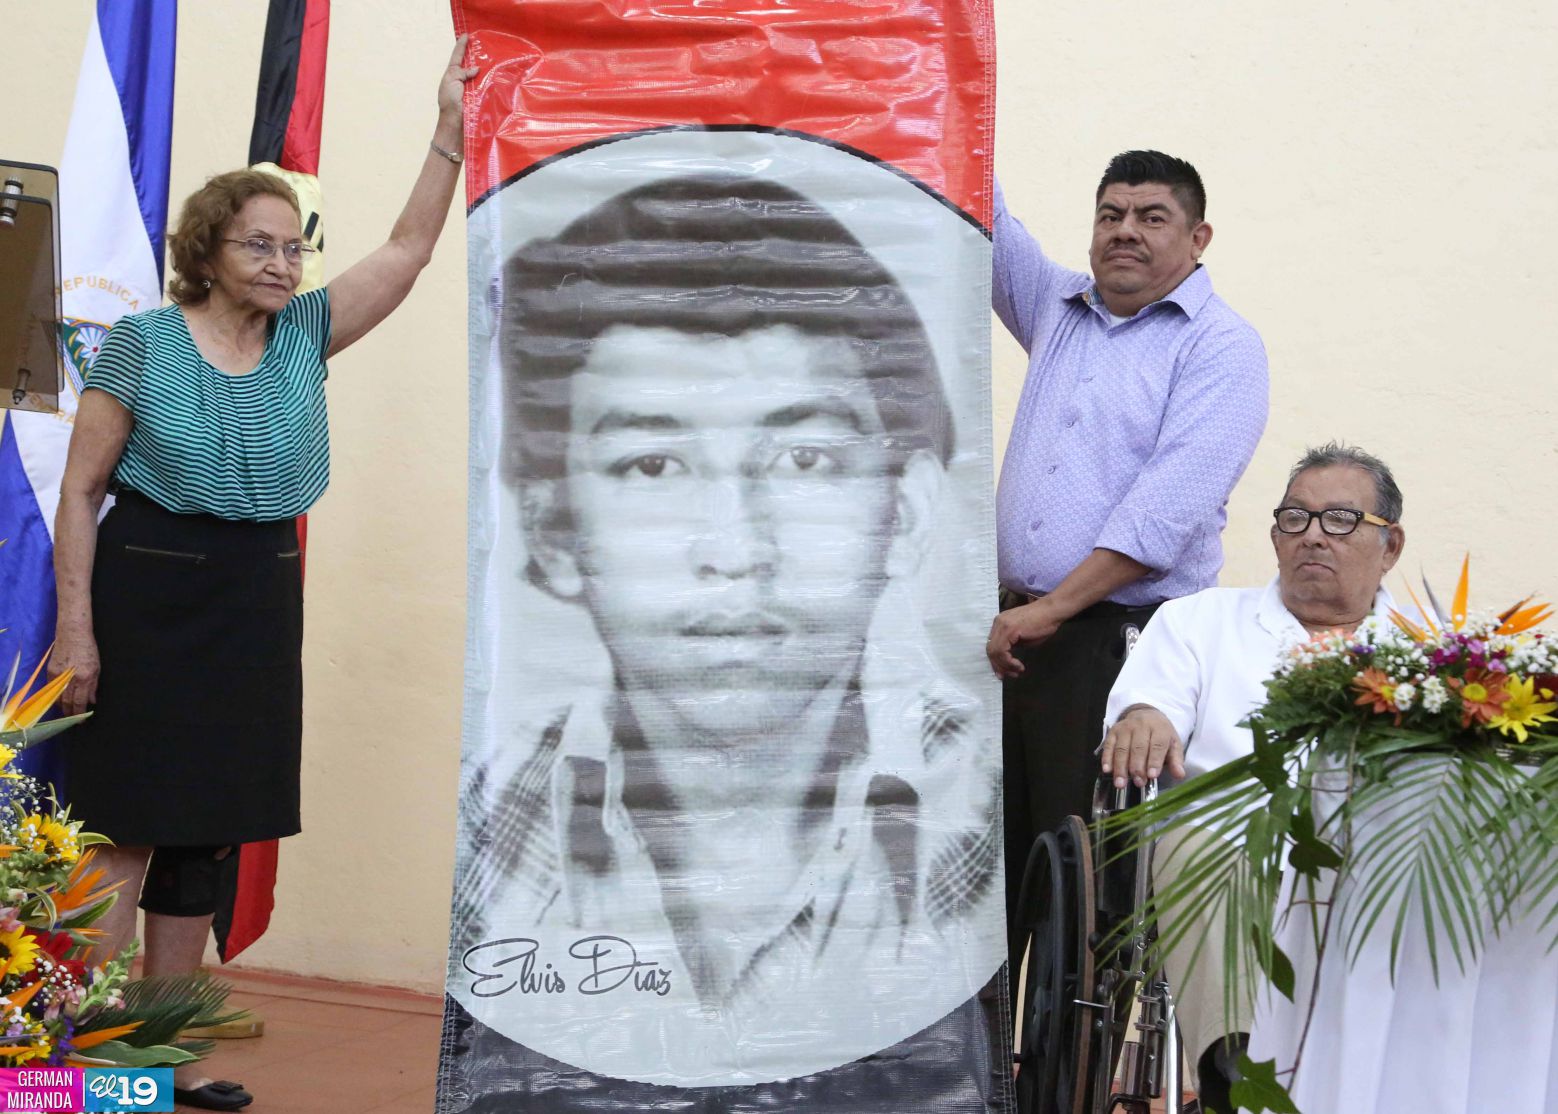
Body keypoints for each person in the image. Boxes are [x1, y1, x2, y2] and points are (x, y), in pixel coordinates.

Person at [443, 173, 1002, 1102]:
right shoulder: (502, 814)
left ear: (905, 511)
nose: (735, 551)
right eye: (652, 464)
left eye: (804, 459)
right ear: (551, 528)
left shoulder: (975, 810)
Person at [47, 38, 479, 1112]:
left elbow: (411, 251)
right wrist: (78, 632)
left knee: (201, 835)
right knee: (124, 833)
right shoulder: (142, 345)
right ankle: (91, 1063)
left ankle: (160, 1062)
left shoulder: (305, 337)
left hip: (253, 595)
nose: (286, 263)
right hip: (145, 593)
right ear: (209, 247)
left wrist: (445, 136)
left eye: (295, 246)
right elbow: (79, 490)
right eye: (261, 243)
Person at [986, 150, 1269, 1004]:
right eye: (1112, 213)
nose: (1126, 232)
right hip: (1012, 641)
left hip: (1116, 647)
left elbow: (1163, 514)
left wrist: (1055, 608)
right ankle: (980, 1082)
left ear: (1197, 236)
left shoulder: (1221, 347)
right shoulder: (1060, 307)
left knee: (1087, 897)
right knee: (987, 881)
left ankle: (1072, 1090)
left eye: (1152, 217)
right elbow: (989, 227)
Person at [1098, 442, 1406, 1111]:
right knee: (1208, 847)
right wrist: (1146, 715)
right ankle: (1236, 1079)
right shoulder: (1199, 621)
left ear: (1391, 545)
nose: (1313, 536)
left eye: (1340, 520)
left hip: (1385, 861)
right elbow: (1150, 703)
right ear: (1273, 536)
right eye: (1294, 519)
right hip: (1232, 849)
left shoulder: (1434, 652)